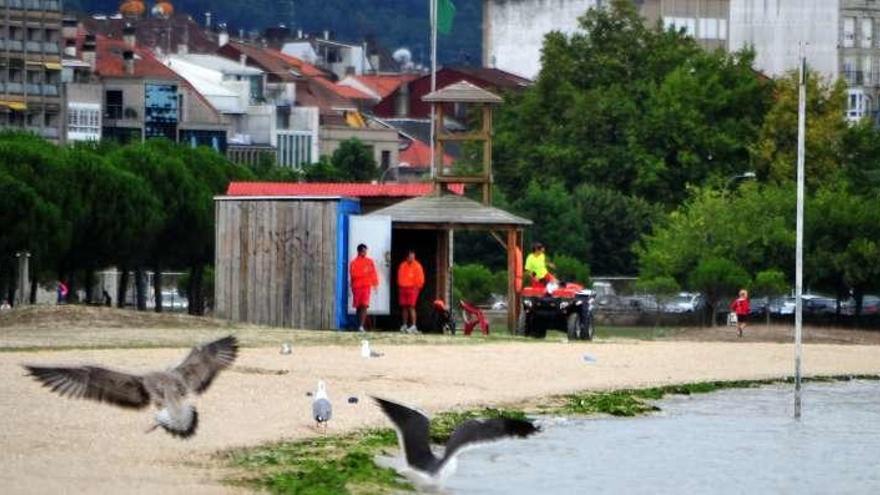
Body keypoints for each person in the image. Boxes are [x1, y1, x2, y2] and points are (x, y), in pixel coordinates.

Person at [350, 243, 379, 333]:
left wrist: (375, 284)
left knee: (364, 305)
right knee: (358, 306)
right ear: (359, 251)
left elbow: (373, 273)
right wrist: (363, 273)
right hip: (357, 286)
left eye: (366, 251)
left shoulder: (369, 261)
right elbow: (353, 274)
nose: (365, 253)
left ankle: (361, 326)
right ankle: (359, 325)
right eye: (363, 251)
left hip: (366, 286)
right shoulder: (353, 262)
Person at [397, 250, 425, 334]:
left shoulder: (417, 266)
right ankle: (405, 325)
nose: (412, 258)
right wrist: (400, 285)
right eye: (410, 257)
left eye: (413, 257)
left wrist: (418, 287)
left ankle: (413, 326)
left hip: (413, 288)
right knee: (404, 307)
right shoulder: (402, 265)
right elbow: (399, 276)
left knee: (411, 307)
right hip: (403, 288)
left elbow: (421, 278)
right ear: (407, 257)